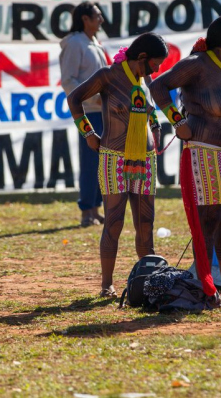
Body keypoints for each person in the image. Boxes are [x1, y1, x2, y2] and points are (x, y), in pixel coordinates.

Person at [149, 16, 221, 307]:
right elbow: (158, 87)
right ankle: (206, 290)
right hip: (206, 151)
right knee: (208, 222)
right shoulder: (197, 64)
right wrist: (177, 120)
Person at [67, 32, 166, 298]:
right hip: (114, 158)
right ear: (141, 57)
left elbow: (151, 109)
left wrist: (156, 129)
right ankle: (107, 284)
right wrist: (88, 133)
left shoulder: (144, 79)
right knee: (114, 221)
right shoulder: (107, 76)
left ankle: (148, 281)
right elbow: (74, 99)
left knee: (146, 222)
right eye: (155, 64)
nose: (157, 69)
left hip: (145, 159)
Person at [60, 1, 110, 227]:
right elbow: (69, 81)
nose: (101, 19)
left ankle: (96, 208)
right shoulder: (74, 43)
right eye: (97, 16)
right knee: (90, 160)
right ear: (85, 19)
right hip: (87, 112)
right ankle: (85, 211)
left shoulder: (94, 43)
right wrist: (91, 98)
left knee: (103, 161)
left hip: (103, 111)